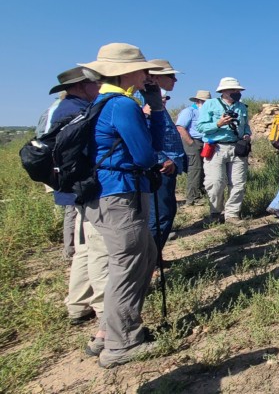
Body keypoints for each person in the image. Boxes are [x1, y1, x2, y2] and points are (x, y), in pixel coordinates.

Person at [76, 42, 165, 368]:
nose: (146, 75)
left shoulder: (104, 103)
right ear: (125, 71)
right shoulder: (122, 106)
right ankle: (119, 343)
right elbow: (145, 154)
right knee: (128, 266)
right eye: (142, 70)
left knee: (144, 257)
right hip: (120, 195)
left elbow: (146, 148)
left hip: (110, 194)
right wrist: (153, 113)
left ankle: (110, 331)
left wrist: (154, 108)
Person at [49, 67, 109, 330]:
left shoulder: (61, 109)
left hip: (74, 188)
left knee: (85, 247)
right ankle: (105, 308)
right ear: (83, 86)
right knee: (100, 248)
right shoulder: (78, 112)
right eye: (95, 84)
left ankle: (78, 303)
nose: (99, 88)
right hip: (85, 188)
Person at [195, 77, 252, 224]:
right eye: (233, 90)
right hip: (216, 147)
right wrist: (218, 124)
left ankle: (232, 214)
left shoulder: (242, 107)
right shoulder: (210, 104)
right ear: (223, 91)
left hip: (237, 147)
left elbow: (246, 126)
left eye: (238, 90)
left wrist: (247, 134)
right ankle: (215, 211)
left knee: (238, 182)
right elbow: (200, 127)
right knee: (215, 182)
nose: (237, 92)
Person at [146, 60, 186, 249]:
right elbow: (145, 134)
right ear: (155, 76)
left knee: (165, 211)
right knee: (160, 213)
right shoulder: (144, 101)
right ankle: (151, 260)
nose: (175, 79)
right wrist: (163, 159)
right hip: (160, 166)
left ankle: (153, 257)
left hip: (167, 164)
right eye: (170, 75)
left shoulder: (155, 100)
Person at [176, 90, 211, 206]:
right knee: (195, 169)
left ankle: (200, 193)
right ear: (198, 101)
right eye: (205, 101)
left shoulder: (207, 112)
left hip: (204, 142)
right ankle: (192, 198)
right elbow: (180, 127)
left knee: (203, 168)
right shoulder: (189, 111)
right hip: (193, 141)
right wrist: (191, 143)